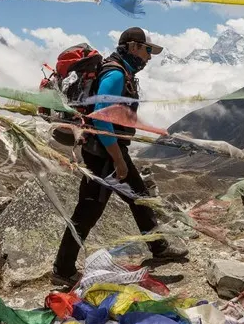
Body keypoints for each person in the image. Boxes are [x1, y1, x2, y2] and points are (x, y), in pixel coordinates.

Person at [52, 27, 188, 287]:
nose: (149, 57)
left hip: (107, 149)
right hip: (103, 153)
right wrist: (117, 158)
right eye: (148, 50)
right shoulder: (115, 74)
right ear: (134, 46)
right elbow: (102, 118)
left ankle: (158, 246)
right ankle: (63, 268)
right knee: (88, 211)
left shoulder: (121, 71)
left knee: (139, 197)